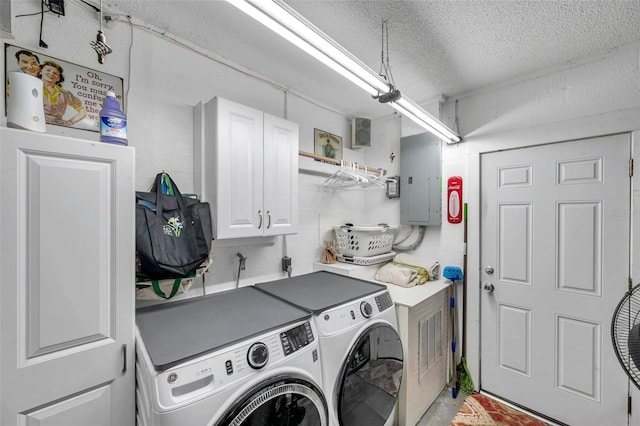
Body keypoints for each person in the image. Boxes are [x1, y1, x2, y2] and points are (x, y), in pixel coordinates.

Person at [39, 60, 87, 126]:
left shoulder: (65, 94)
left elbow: (83, 113)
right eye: (48, 70)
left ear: (58, 78)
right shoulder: (32, 87)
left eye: (55, 73)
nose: (51, 74)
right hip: (36, 124)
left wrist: (70, 122)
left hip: (57, 127)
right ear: (41, 71)